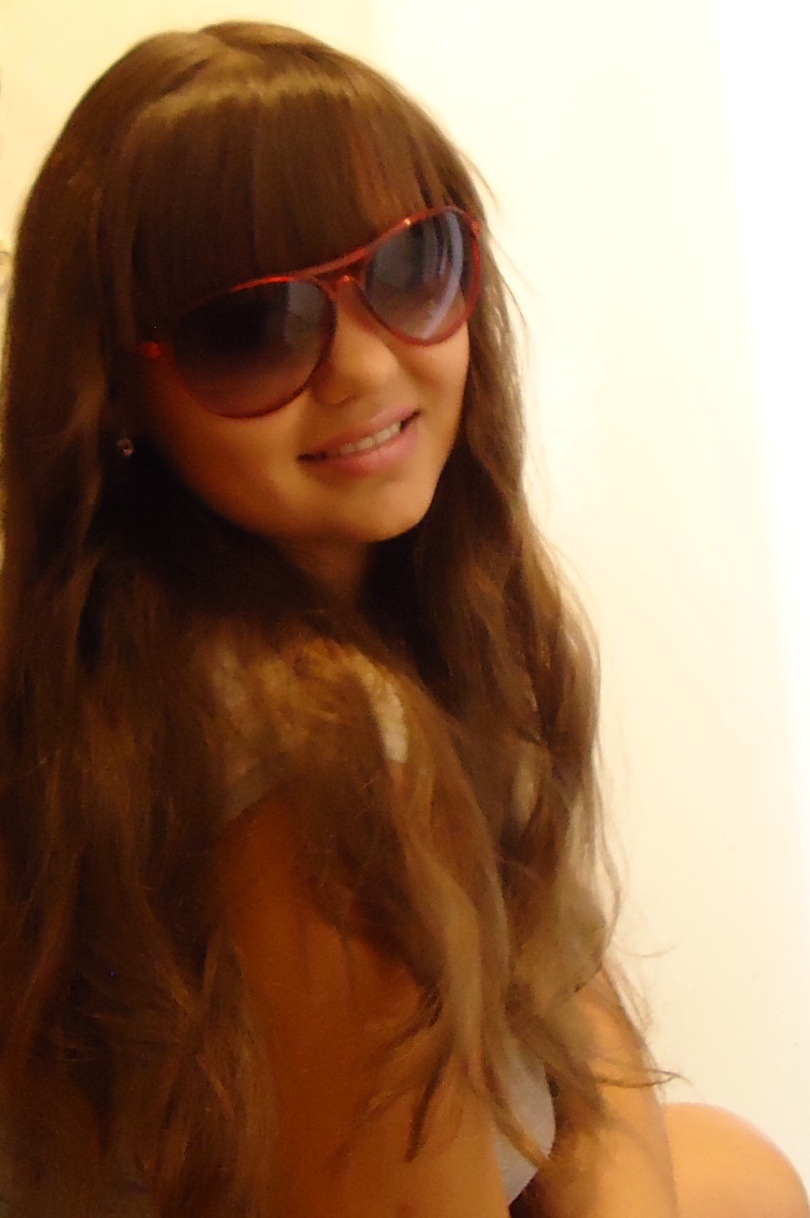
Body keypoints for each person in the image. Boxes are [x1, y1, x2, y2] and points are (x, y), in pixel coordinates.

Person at [0, 20, 806, 1218]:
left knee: (735, 1165)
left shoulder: (432, 621)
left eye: (410, 269)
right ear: (115, 389)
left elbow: (584, 1027)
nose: (366, 370)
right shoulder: (312, 752)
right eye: (254, 328)